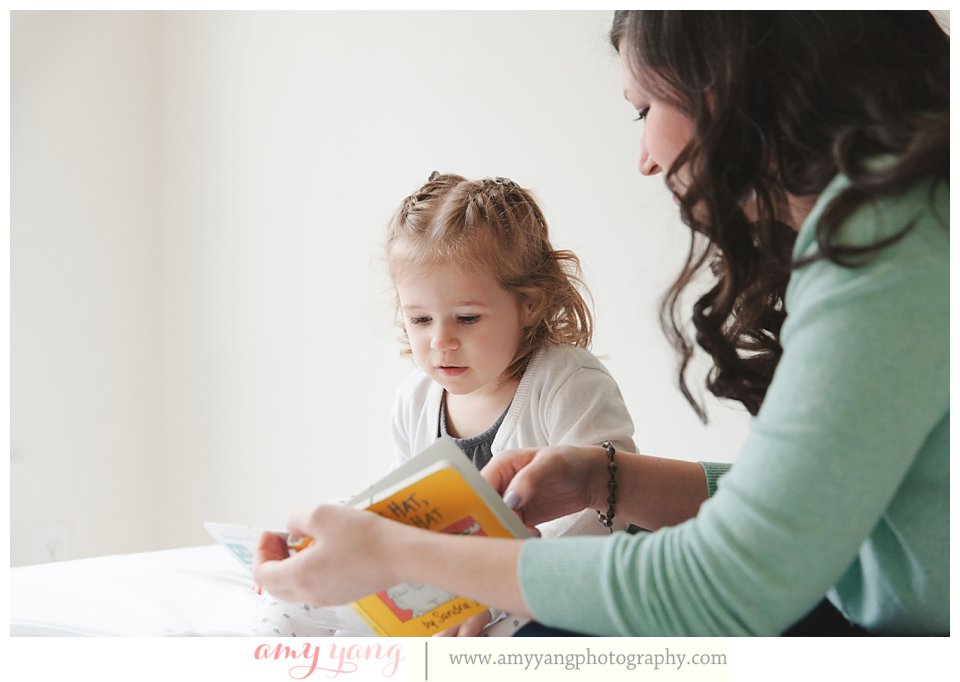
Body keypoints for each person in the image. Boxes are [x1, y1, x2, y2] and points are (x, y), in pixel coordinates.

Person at [254, 10, 949, 636]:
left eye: (643, 107)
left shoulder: (889, 245)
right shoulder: (906, 217)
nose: (644, 158)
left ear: (732, 85)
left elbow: (728, 582)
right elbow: (796, 515)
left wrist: (394, 554)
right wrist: (605, 479)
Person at [384, 172, 637, 635]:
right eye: (419, 319)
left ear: (530, 304)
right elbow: (411, 512)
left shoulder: (567, 383)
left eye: (466, 318)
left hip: (564, 584)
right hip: (466, 587)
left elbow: (606, 512)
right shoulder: (414, 400)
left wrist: (497, 586)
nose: (441, 341)